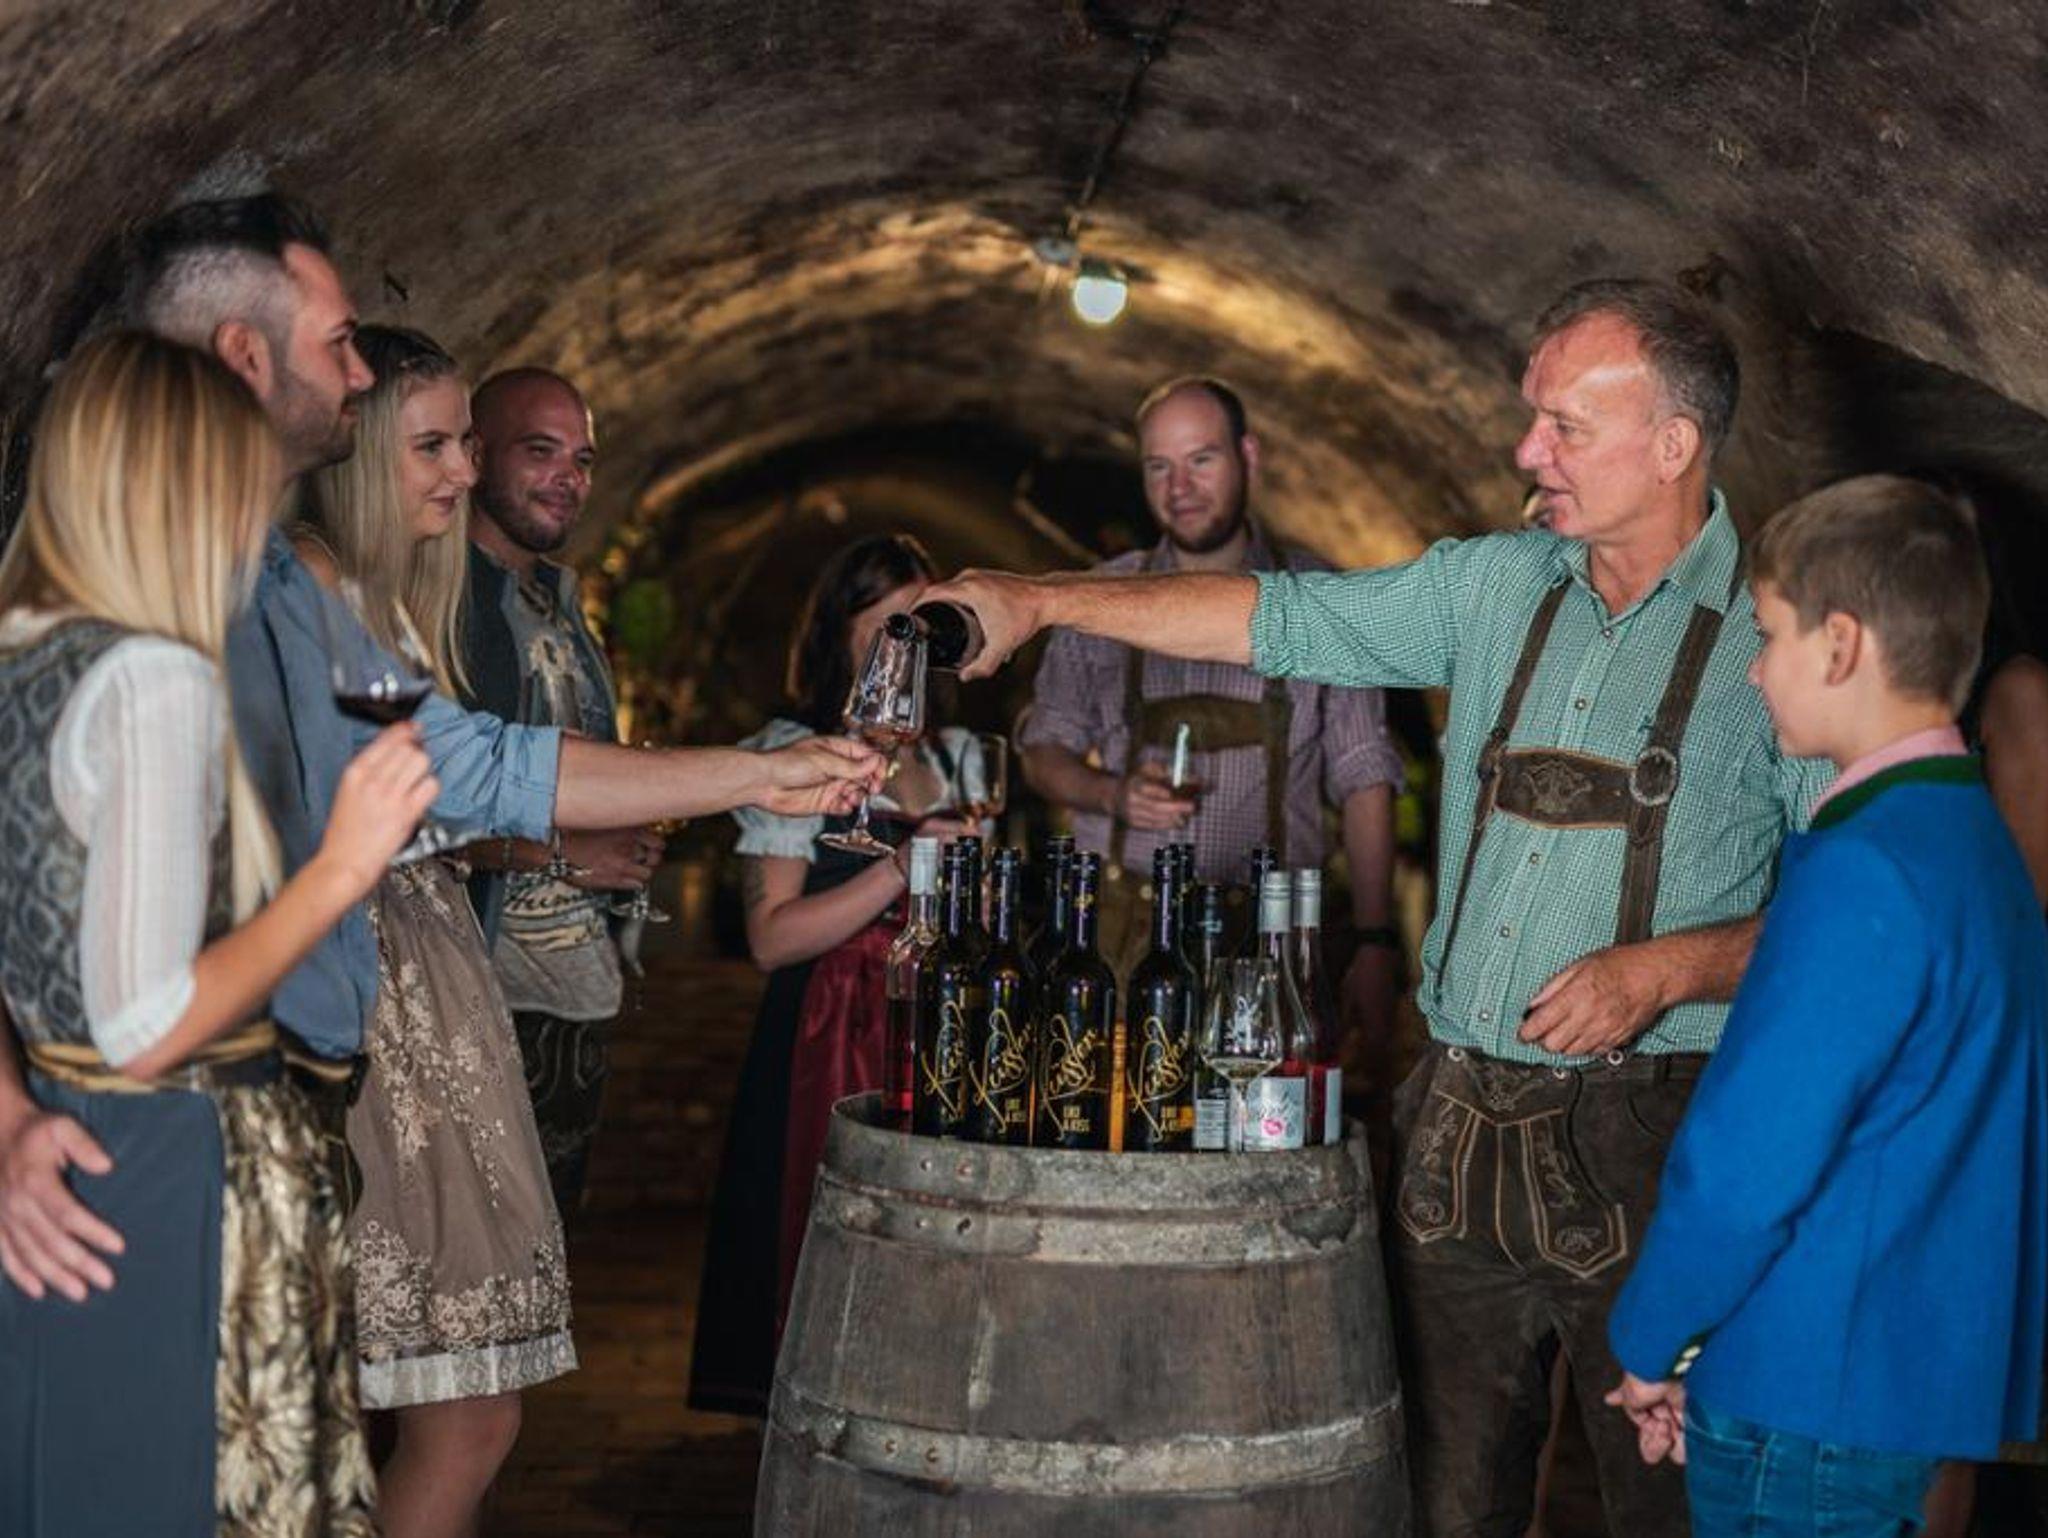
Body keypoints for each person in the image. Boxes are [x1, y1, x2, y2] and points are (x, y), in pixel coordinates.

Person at [929, 278, 1832, 1536]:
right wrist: (1039, 599)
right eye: (1531, 417)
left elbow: (1852, 911)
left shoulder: (1782, 633)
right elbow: (1273, 616)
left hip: (1657, 1138)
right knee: (1439, 1497)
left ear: (1672, 443)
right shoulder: (1489, 586)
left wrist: (1668, 966)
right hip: (1456, 1125)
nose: (1525, 451)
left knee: (1667, 1499)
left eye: (1564, 426)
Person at [0, 192, 878, 1308]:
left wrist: (762, 773)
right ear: (241, 358)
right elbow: (130, 1006)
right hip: (162, 1149)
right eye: (339, 344)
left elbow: (475, 761)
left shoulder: (282, 593)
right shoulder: (158, 638)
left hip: (260, 1121)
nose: (359, 372)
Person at [0, 331, 435, 1535]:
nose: (258, 529)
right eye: (251, 488)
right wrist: (342, 866)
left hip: (59, 1145)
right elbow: (144, 1023)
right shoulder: (153, 680)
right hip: (171, 1161)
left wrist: (11, 1113)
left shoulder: (21, 655)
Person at [1606, 475, 2048, 1537]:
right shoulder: (1970, 839)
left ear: (1840, 644)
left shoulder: (1863, 866)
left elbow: (1748, 1161)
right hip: (1906, 1376)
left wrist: (1654, 1340)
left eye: (1767, 635)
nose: (1753, 668)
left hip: (1806, 1391)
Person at [297, 325, 575, 1538]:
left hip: (419, 978)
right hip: (370, 996)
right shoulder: (308, 584)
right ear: (357, 450)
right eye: (434, 444)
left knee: (458, 1406)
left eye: (465, 442)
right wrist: (753, 772)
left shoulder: (381, 597)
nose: (463, 469)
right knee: (457, 1412)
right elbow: (474, 771)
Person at [689, 533, 980, 1418]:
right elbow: (771, 939)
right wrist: (899, 869)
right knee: (820, 1229)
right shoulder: (792, 751)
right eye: (886, 622)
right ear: (839, 631)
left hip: (938, 1027)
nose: (904, 643)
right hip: (828, 1029)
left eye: (920, 623)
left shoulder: (957, 757)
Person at [1020, 377, 1403, 1018]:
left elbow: (1365, 775)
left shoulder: (1321, 597)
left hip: (1271, 936)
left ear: (1247, 456)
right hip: (1124, 934)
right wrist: (1111, 793)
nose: (1180, 488)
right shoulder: (1101, 600)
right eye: (1159, 467)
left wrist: (1374, 939)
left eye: (1201, 459)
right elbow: (1042, 753)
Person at [458, 366, 656, 1218]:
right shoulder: (441, 603)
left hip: (574, 994)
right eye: (540, 452)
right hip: (479, 996)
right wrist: (573, 855)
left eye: (581, 459)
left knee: (547, 1248)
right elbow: (409, 817)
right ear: (473, 454)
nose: (568, 478)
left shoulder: (561, 602)